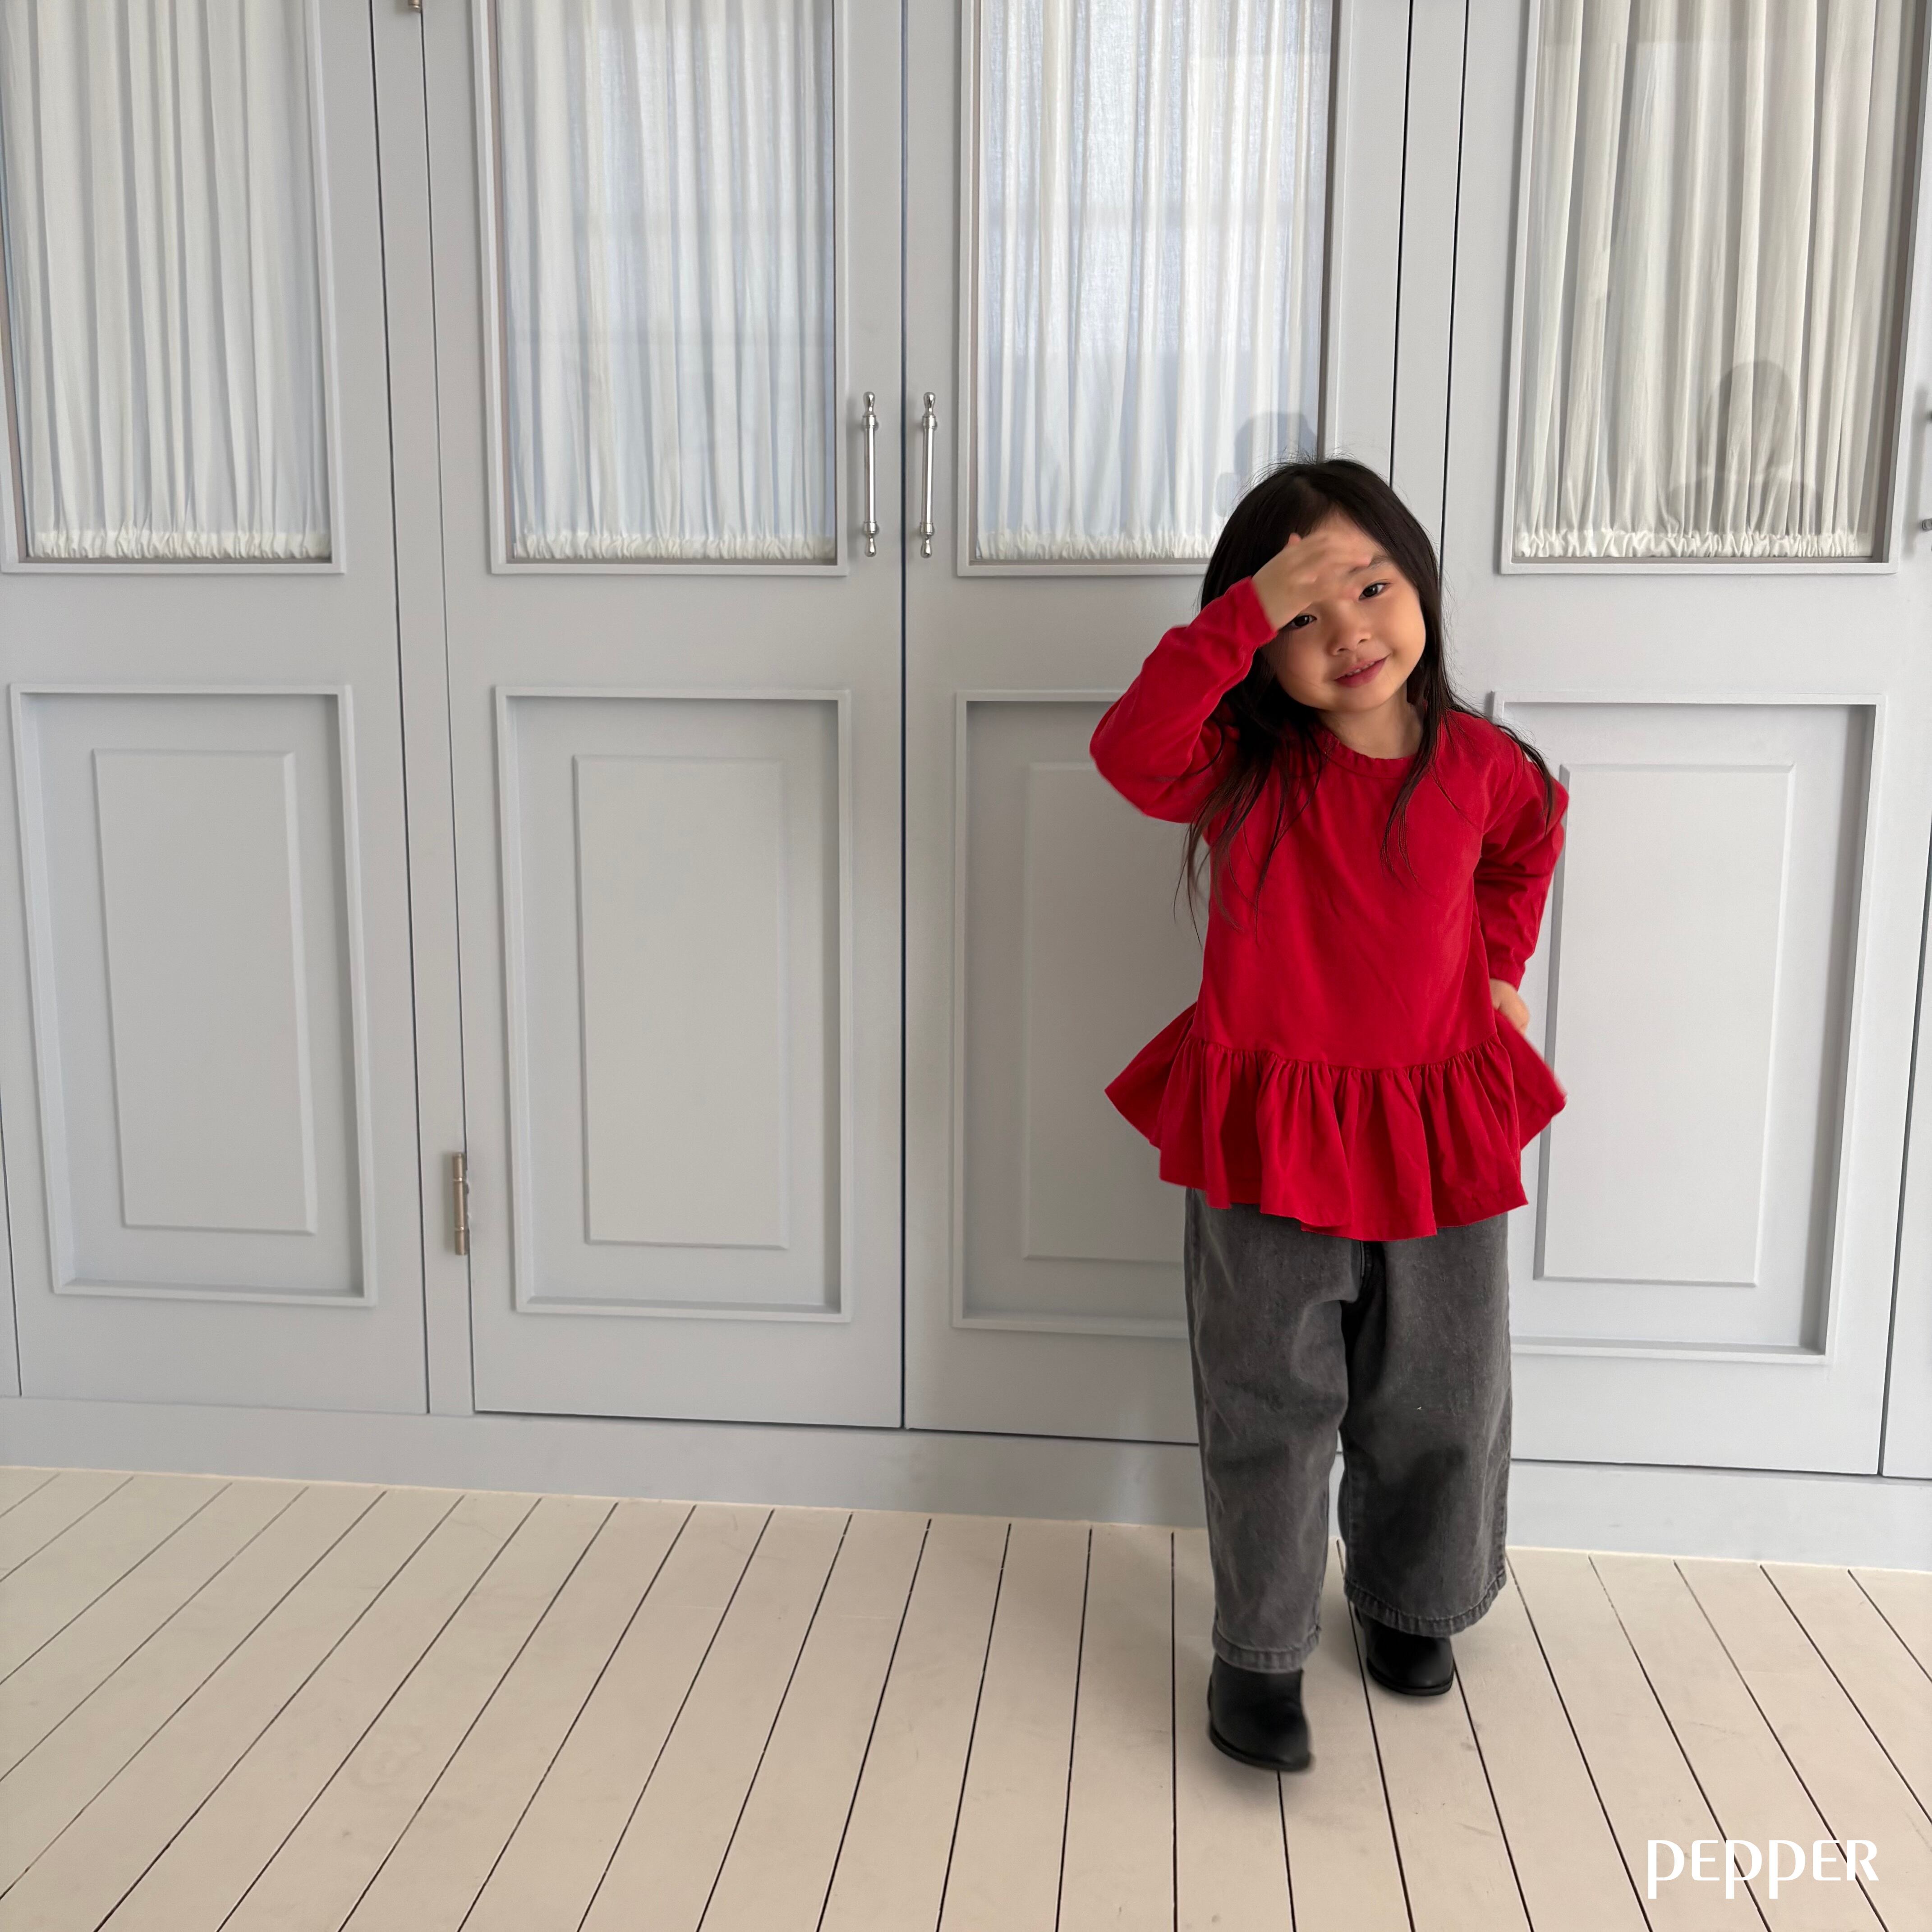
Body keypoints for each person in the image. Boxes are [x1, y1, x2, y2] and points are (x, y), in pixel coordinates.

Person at [1090, 456, 1569, 1773]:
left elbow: (1530, 839)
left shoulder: (1481, 764)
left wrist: (1498, 966)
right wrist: (1239, 616)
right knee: (1270, 1403)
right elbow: (1128, 750)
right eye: (1303, 612)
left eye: (1370, 586)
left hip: (1437, 1124)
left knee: (1443, 1392)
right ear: (1259, 637)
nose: (1348, 630)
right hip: (1271, 1134)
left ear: (1420, 586)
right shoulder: (1242, 768)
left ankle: (1411, 1600)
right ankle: (1257, 1650)